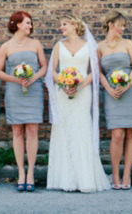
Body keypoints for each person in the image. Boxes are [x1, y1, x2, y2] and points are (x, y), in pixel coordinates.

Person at [45, 15, 110, 193]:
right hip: (63, 93)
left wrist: (79, 85)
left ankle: (85, 178)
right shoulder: (59, 46)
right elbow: (53, 69)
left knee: (81, 128)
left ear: (74, 25)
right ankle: (65, 179)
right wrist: (64, 84)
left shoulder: (90, 45)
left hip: (83, 92)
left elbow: (94, 70)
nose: (61, 28)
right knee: (64, 128)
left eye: (64, 24)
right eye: (61, 25)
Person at [0, 11, 47, 192]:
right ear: (17, 24)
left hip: (34, 90)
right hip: (14, 91)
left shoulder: (36, 44)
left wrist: (33, 79)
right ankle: (21, 173)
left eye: (30, 23)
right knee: (17, 131)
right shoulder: (6, 46)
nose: (30, 26)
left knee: (32, 130)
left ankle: (31, 172)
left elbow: (44, 66)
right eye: (27, 23)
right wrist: (15, 79)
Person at [98, 11, 132, 190]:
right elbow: (98, 72)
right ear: (110, 24)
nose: (123, 29)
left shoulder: (128, 43)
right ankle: (115, 173)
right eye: (120, 25)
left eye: (124, 25)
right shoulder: (99, 46)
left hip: (130, 91)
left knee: (130, 133)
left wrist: (128, 85)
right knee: (117, 134)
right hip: (112, 93)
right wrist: (109, 88)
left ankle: (127, 174)